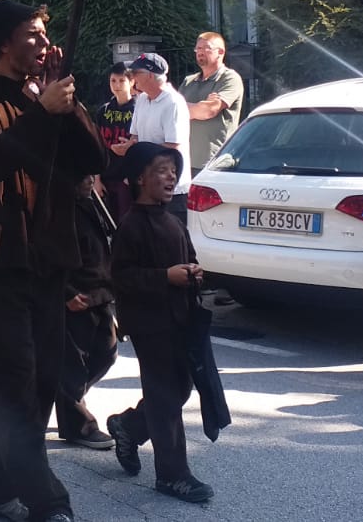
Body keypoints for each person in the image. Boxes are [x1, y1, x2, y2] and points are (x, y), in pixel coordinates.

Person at [0, 0, 106, 522]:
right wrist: (44, 112)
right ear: (3, 44)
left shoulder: (49, 99)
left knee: (41, 382)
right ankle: (48, 501)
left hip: (49, 260)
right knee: (14, 383)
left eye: (45, 34)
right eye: (32, 35)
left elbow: (94, 160)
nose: (44, 43)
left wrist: (70, 104)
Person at [105, 142, 215, 504]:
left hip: (179, 319)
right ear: (140, 178)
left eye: (173, 171)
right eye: (161, 171)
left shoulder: (173, 222)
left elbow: (190, 257)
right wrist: (165, 277)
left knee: (179, 389)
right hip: (148, 324)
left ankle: (129, 426)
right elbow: (121, 276)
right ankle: (172, 475)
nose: (171, 177)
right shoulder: (131, 225)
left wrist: (194, 272)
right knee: (165, 396)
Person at [55, 174, 117, 450]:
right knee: (73, 364)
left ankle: (67, 398)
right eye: (82, 175)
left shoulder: (92, 203)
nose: (89, 180)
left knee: (106, 353)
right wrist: (66, 293)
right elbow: (49, 255)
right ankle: (79, 424)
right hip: (75, 296)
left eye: (91, 174)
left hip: (100, 293)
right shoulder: (57, 209)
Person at [112, 53, 191, 219]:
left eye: (135, 73)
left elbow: (173, 149)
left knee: (168, 234)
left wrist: (137, 151)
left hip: (170, 191)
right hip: (146, 189)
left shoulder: (173, 103)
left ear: (149, 75)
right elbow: (135, 137)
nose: (132, 77)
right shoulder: (141, 99)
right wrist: (127, 147)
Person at [179, 33, 244, 172]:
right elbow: (173, 111)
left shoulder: (229, 78)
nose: (200, 52)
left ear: (220, 52)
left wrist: (188, 108)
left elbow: (208, 111)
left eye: (206, 48)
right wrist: (199, 106)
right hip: (185, 161)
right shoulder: (188, 81)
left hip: (215, 163)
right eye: (198, 48)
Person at [95, 62, 136, 220]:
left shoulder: (138, 110)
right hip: (106, 177)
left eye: (122, 80)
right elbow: (97, 146)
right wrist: (96, 179)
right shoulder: (103, 111)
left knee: (126, 223)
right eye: (113, 80)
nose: (117, 85)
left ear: (131, 82)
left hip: (126, 179)